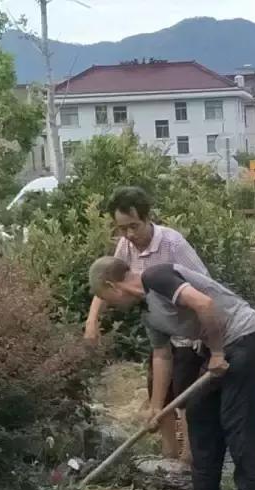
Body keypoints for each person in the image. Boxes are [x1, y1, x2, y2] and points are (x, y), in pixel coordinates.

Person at [89, 256, 255, 490]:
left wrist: (218, 353)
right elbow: (162, 356)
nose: (110, 307)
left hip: (243, 337)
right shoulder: (147, 313)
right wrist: (156, 408)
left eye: (106, 298)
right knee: (199, 411)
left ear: (112, 286)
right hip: (217, 347)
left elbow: (204, 304)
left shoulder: (157, 277)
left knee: (238, 417)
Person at [85, 186, 210, 461]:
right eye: (122, 229)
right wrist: (92, 321)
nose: (129, 235)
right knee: (159, 393)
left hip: (189, 331)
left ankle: (192, 462)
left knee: (185, 397)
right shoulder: (125, 246)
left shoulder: (173, 244)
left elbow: (204, 287)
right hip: (159, 328)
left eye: (134, 226)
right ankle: (169, 458)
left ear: (147, 218)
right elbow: (109, 279)